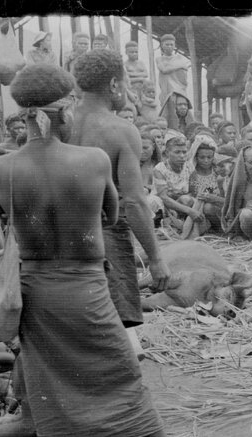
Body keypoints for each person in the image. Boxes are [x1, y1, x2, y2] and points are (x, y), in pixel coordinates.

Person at [0, 64, 218, 437]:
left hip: (37, 295)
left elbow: (2, 214)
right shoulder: (90, 160)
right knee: (123, 379)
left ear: (22, 116)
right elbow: (113, 211)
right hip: (86, 290)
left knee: (51, 399)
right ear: (64, 107)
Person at [71, 49, 170, 329]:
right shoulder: (121, 130)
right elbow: (136, 202)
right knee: (116, 331)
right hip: (104, 236)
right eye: (125, 83)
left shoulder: (60, 122)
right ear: (114, 84)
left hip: (56, 236)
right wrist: (156, 258)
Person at [180, 136, 225, 238]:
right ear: (196, 157)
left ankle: (217, 228)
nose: (206, 160)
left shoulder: (217, 171)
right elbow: (192, 192)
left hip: (215, 207)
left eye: (209, 157)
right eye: (202, 157)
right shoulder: (192, 173)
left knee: (208, 207)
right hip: (197, 207)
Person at [153, 135, 196, 228]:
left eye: (184, 152)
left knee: (187, 199)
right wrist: (189, 210)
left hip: (185, 203)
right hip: (167, 206)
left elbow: (194, 191)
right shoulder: (160, 169)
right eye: (177, 152)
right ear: (168, 153)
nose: (182, 156)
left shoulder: (189, 167)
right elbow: (164, 197)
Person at [156, 34, 191, 127]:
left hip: (179, 90)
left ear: (174, 45)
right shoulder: (159, 59)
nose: (169, 47)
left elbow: (185, 69)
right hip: (167, 91)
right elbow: (163, 69)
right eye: (167, 44)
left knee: (183, 110)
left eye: (171, 44)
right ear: (162, 45)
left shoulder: (179, 58)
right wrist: (179, 66)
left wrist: (171, 67)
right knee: (167, 113)